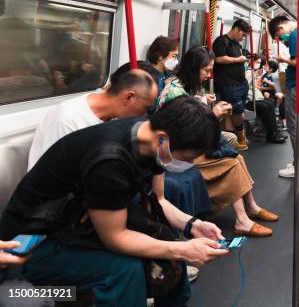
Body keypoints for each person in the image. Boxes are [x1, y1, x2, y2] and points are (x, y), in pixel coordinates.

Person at [0, 97, 228, 306]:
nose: (187, 164)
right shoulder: (109, 161)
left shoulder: (150, 137)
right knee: (124, 270)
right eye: (187, 158)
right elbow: (115, 237)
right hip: (31, 241)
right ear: (162, 139)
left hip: (77, 220)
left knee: (166, 243)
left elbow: (159, 200)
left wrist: (193, 225)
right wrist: (180, 250)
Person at [159, 46, 278, 237]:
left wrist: (205, 102)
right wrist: (213, 115)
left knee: (236, 157)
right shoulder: (175, 92)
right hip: (176, 153)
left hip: (187, 145)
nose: (209, 75)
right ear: (193, 69)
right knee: (232, 162)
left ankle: (252, 207)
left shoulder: (186, 87)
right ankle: (242, 221)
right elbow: (187, 134)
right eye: (206, 70)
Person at [28, 68, 158, 169]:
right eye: (145, 108)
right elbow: (50, 174)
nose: (143, 115)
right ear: (129, 98)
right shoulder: (67, 119)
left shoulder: (113, 119)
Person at [268, 15, 299, 178]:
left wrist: (282, 59)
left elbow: (298, 62)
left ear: (280, 28)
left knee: (294, 126)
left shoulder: (295, 35)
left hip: (298, 84)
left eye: (280, 36)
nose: (282, 39)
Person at [213, 19, 251, 150]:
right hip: (229, 84)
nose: (243, 38)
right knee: (237, 113)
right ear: (236, 29)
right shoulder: (221, 41)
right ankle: (240, 136)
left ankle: (233, 142)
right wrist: (238, 59)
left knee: (231, 113)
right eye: (243, 34)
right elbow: (219, 58)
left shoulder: (237, 45)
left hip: (241, 83)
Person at [245, 56, 286, 144]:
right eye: (257, 62)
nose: (259, 65)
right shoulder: (247, 73)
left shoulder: (255, 73)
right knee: (264, 106)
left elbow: (257, 86)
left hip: (256, 96)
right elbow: (247, 86)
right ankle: (271, 134)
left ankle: (274, 131)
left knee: (270, 103)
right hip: (248, 99)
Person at [146, 36, 179, 110]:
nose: (176, 60)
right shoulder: (149, 78)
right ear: (160, 57)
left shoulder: (168, 74)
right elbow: (151, 108)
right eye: (174, 56)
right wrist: (165, 88)